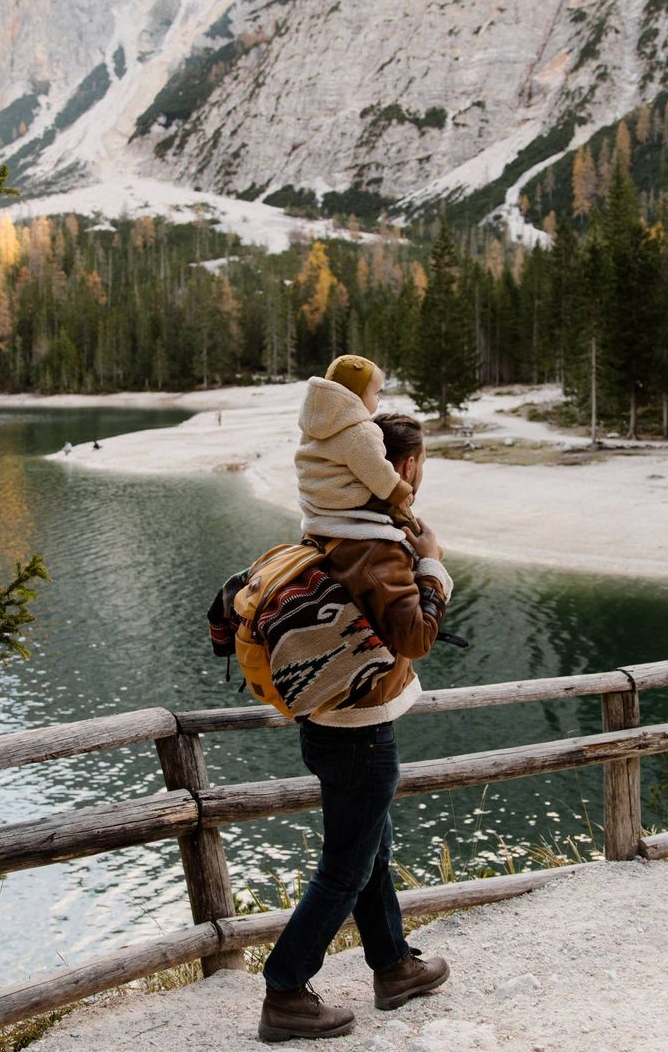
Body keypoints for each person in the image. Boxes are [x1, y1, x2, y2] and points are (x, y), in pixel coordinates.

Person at [259, 412, 452, 1043]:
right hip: (360, 732)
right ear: (405, 467)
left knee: (371, 851)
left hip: (328, 721)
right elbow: (415, 636)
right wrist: (433, 568)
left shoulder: (331, 525)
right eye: (419, 463)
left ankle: (393, 965)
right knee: (345, 865)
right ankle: (286, 990)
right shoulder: (376, 546)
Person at [295, 355, 421, 536]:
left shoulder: (314, 425)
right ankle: (416, 539)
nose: (378, 400)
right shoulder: (360, 432)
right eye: (376, 394)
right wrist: (399, 491)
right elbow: (376, 470)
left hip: (314, 497)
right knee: (394, 509)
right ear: (354, 397)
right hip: (344, 498)